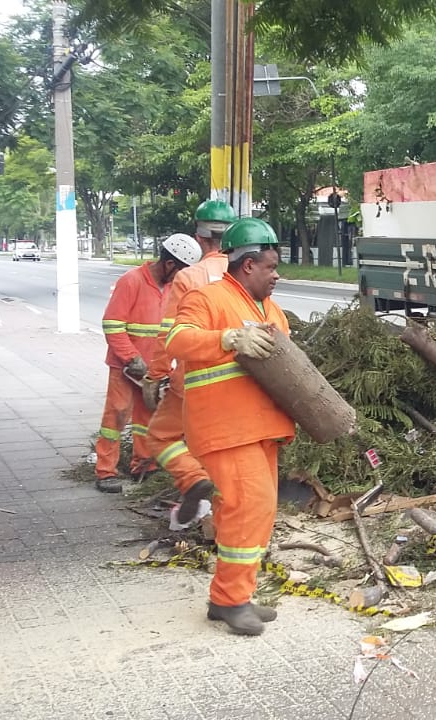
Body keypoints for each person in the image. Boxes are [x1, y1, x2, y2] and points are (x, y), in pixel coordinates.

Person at [165, 217, 293, 636]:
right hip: (225, 428)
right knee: (247, 508)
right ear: (248, 264)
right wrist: (227, 339)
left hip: (261, 428)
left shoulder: (271, 310)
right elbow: (177, 340)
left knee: (258, 512)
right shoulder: (207, 299)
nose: (277, 275)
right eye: (271, 267)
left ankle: (237, 593)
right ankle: (229, 600)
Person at [141, 200, 237, 528]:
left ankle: (193, 481)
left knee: (160, 437)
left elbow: (169, 334)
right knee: (222, 447)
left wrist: (154, 376)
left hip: (193, 379)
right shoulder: (246, 271)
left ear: (199, 237)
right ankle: (224, 513)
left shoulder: (189, 277)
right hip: (238, 381)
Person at [95, 235, 202, 493]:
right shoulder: (131, 281)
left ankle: (143, 465)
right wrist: (131, 358)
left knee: (147, 418)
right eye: (180, 272)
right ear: (168, 264)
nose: (181, 279)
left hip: (152, 370)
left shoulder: (170, 289)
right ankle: (105, 471)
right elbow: (112, 324)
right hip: (125, 367)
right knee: (117, 415)